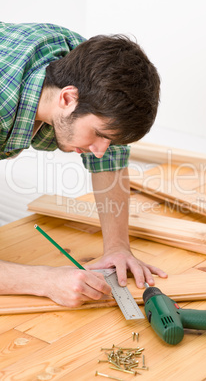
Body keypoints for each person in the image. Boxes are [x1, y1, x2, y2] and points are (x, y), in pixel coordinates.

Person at [0, 22, 167, 307]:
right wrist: (44, 281)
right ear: (66, 98)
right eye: (100, 135)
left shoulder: (78, 60)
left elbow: (110, 160)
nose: (100, 152)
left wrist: (117, 247)